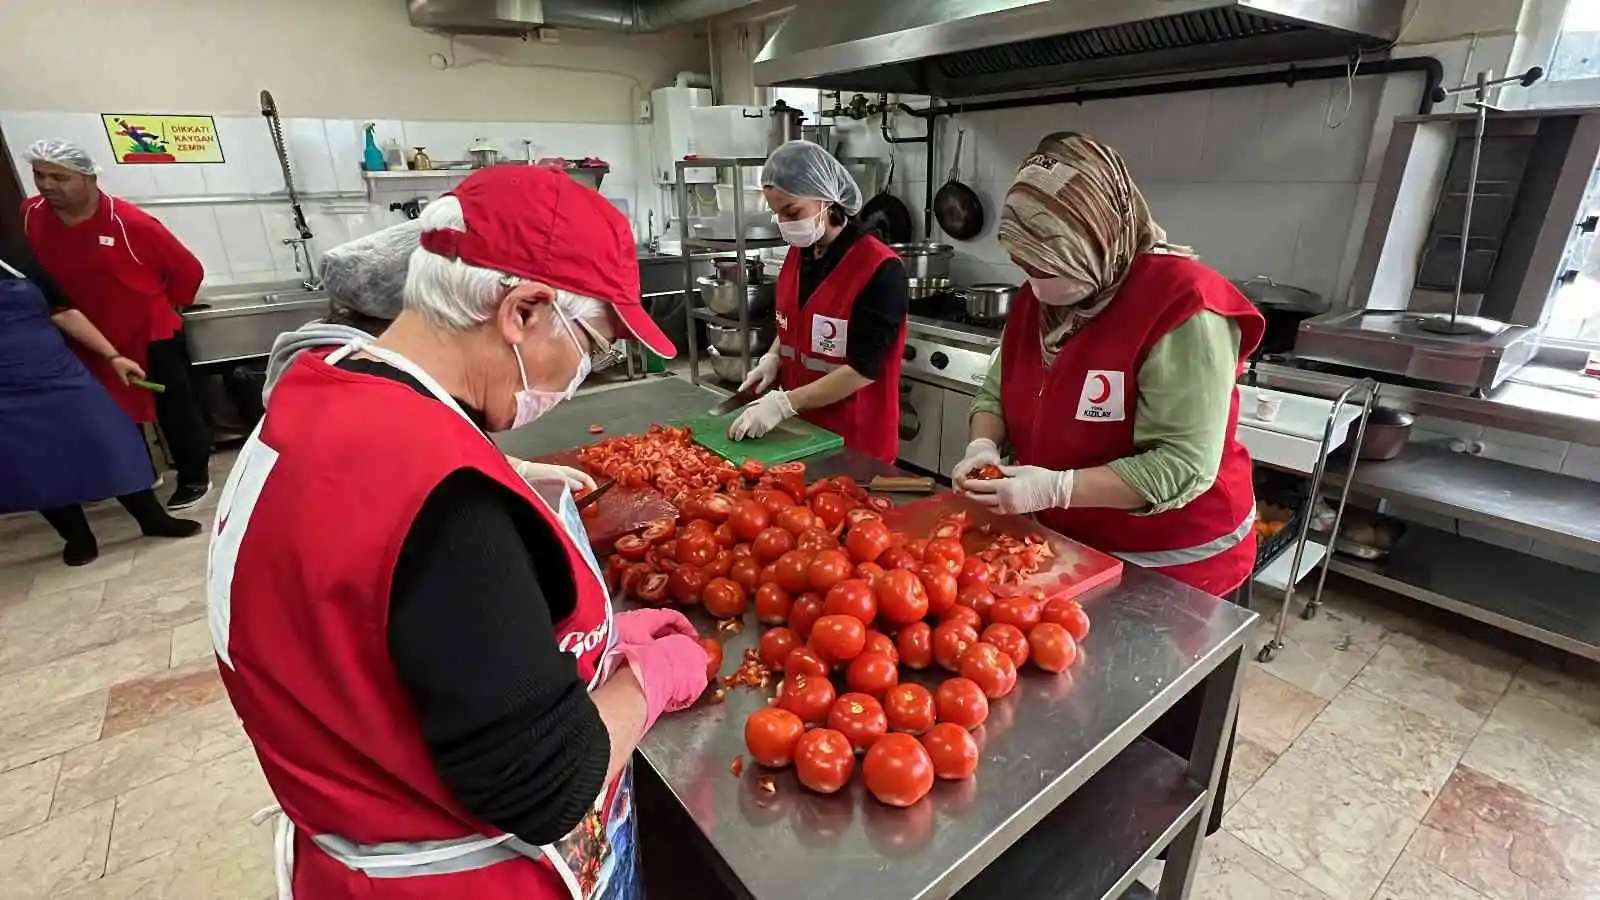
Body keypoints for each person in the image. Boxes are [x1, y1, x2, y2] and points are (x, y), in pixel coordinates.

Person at [208, 167, 708, 900]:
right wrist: (646, 682)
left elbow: (394, 634)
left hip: (350, 848)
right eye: (594, 346)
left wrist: (582, 655)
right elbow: (546, 786)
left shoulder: (320, 386)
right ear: (524, 311)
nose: (584, 373)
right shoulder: (445, 501)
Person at [951, 132, 1264, 834]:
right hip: (1079, 557)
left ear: (1102, 241)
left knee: (1160, 749)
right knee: (1077, 720)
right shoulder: (1051, 285)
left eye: (1048, 270)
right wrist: (982, 438)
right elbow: (999, 381)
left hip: (1178, 566)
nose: (1035, 287)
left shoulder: (1186, 306)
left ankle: (1158, 848)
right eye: (1025, 268)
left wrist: (1053, 489)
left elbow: (1183, 466)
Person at [21, 139, 213, 510]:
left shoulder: (130, 223)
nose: (47, 186)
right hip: (84, 333)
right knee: (108, 409)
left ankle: (193, 476)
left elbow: (188, 271)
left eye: (60, 177)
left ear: (89, 178)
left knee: (172, 405)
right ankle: (139, 473)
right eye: (39, 175)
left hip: (149, 331)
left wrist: (166, 308)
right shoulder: (31, 214)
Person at [0, 237, 201, 565]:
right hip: (5, 393)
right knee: (35, 462)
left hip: (57, 373)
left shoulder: (13, 258)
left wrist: (112, 356)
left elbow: (64, 313)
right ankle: (77, 538)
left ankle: (151, 518)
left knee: (109, 439)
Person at [728, 139, 909, 463]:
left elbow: (861, 370)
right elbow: (794, 325)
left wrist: (784, 404)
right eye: (778, 215)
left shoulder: (879, 269)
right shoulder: (800, 254)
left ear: (826, 198)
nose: (785, 223)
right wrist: (773, 358)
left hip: (854, 443)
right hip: (801, 432)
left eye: (792, 211)